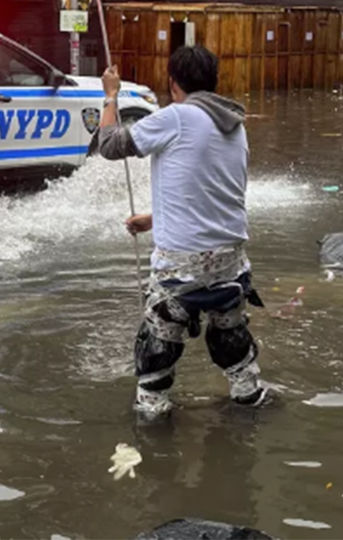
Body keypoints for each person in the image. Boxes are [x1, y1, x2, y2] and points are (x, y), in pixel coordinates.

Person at [98, 46, 266, 416]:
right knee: (232, 343)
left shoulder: (175, 117)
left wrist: (110, 95)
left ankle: (154, 424)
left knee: (156, 348)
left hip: (181, 268)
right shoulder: (234, 124)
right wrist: (155, 218)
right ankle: (249, 398)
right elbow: (213, 192)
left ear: (173, 84)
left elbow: (108, 145)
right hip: (231, 264)